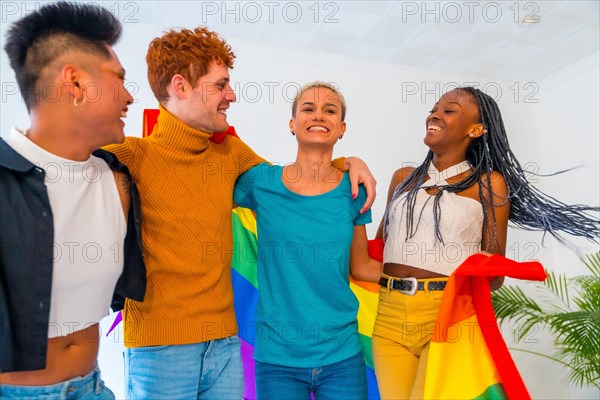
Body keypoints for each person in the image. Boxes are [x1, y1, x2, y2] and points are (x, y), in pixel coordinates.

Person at [103, 29, 376, 399]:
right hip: (160, 349)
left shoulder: (229, 153)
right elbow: (61, 153)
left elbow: (293, 185)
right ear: (181, 86)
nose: (231, 95)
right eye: (221, 86)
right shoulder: (131, 155)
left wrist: (348, 162)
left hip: (226, 348)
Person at [371, 86, 599, 399]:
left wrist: (457, 292)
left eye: (449, 110)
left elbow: (493, 271)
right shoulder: (403, 178)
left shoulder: (489, 184)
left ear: (476, 129)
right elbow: (380, 248)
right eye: (434, 108)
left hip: (447, 315)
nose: (435, 114)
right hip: (389, 315)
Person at [0, 3, 145, 399]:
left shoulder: (118, 181)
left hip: (93, 386)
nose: (129, 97)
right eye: (119, 79)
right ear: (76, 84)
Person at [233, 82, 381, 400]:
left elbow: (362, 266)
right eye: (308, 109)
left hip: (342, 354)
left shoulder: (354, 191)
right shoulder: (261, 183)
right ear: (292, 124)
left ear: (341, 128)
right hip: (277, 359)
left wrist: (424, 279)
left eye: (330, 110)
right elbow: (210, 171)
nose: (319, 116)